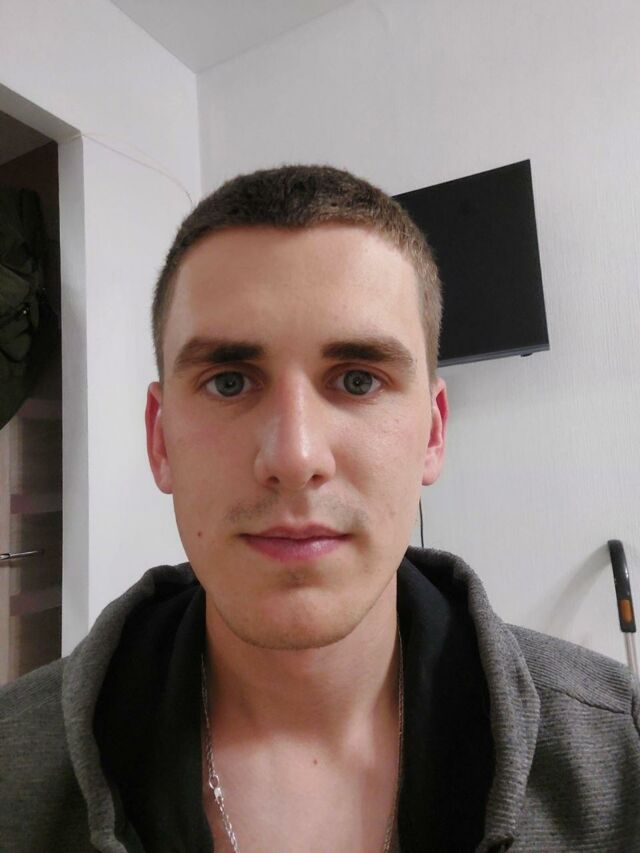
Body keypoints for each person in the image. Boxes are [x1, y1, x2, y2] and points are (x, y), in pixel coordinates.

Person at [1, 164, 639, 853]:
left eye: (358, 380)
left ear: (432, 433)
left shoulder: (621, 751)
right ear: (160, 440)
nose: (294, 455)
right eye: (229, 381)